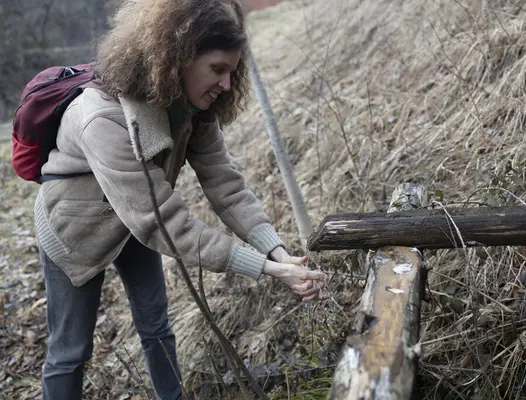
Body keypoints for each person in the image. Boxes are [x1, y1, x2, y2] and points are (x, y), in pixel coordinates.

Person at [33, 0, 327, 398]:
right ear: (178, 58)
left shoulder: (194, 108)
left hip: (136, 223)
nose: (226, 84)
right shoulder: (102, 117)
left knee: (156, 327)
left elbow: (227, 186)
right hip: (75, 232)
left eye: (232, 71)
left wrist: (277, 253)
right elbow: (165, 223)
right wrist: (267, 270)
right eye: (218, 69)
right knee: (70, 350)